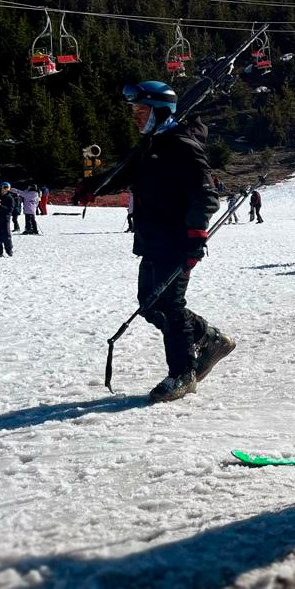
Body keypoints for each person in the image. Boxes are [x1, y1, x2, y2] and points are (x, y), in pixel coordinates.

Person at [75, 81, 233, 403]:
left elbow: (205, 194)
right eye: (134, 111)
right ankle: (208, 338)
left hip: (176, 240)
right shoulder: (152, 144)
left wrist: (196, 235)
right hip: (152, 238)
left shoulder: (181, 145)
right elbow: (124, 173)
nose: (135, 117)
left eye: (141, 111)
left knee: (170, 306)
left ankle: (183, 373)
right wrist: (93, 186)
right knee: (149, 303)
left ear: (160, 112)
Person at [0, 182, 14, 257]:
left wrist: (0, 205)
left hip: (5, 219)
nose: (5, 190)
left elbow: (10, 209)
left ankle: (9, 251)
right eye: (4, 188)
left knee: (6, 236)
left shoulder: (10, 198)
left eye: (7, 188)